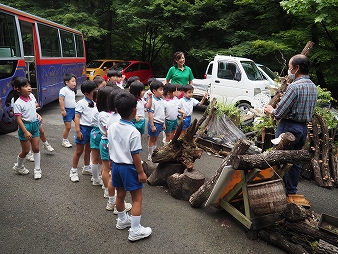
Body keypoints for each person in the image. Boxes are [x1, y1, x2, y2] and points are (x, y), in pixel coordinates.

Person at [264, 54, 317, 206]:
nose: (289, 70)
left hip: (288, 127)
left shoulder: (294, 87)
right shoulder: (313, 86)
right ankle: (291, 192)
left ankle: (273, 190)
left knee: (279, 158)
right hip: (302, 128)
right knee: (295, 160)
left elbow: (279, 112)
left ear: (297, 68)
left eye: (289, 67)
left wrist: (270, 109)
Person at [108, 92, 152, 241]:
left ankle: (122, 220)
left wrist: (110, 163)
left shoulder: (112, 126)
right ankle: (135, 230)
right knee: (137, 199)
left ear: (117, 109)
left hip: (116, 166)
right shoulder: (134, 132)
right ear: (134, 110)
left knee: (119, 195)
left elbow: (110, 147)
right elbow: (136, 156)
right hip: (130, 168)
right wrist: (141, 173)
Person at [11, 77, 42, 179]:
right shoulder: (18, 103)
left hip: (34, 125)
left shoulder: (32, 98)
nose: (29, 88)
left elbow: (32, 110)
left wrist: (38, 115)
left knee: (36, 148)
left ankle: (37, 169)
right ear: (18, 89)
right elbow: (18, 119)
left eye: (29, 85)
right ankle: (19, 166)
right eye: (25, 86)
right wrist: (25, 131)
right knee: (25, 150)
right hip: (25, 126)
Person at [69, 80, 97, 182]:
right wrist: (78, 131)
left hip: (92, 129)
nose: (96, 92)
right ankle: (73, 171)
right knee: (79, 151)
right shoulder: (81, 103)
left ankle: (86, 167)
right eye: (94, 91)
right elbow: (77, 117)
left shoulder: (95, 102)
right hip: (83, 129)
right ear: (86, 93)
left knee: (88, 150)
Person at [147, 80, 165, 161]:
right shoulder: (152, 101)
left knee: (156, 139)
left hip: (160, 123)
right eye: (160, 90)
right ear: (154, 91)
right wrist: (152, 125)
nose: (162, 91)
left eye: (162, 89)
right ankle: (150, 155)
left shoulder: (161, 100)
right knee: (151, 139)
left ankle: (154, 153)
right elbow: (150, 113)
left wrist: (164, 123)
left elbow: (162, 112)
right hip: (154, 123)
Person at [59, 73, 77, 148]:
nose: (74, 83)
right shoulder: (64, 90)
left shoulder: (72, 90)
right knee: (68, 127)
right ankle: (65, 140)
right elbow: (61, 100)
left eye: (75, 81)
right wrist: (63, 110)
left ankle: (78, 136)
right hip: (68, 111)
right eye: (72, 81)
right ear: (67, 82)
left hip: (75, 110)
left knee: (80, 123)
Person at [89, 88, 103, 186]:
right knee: (96, 158)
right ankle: (96, 178)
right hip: (98, 133)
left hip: (97, 133)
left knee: (100, 158)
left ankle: (97, 176)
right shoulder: (98, 110)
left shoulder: (99, 109)